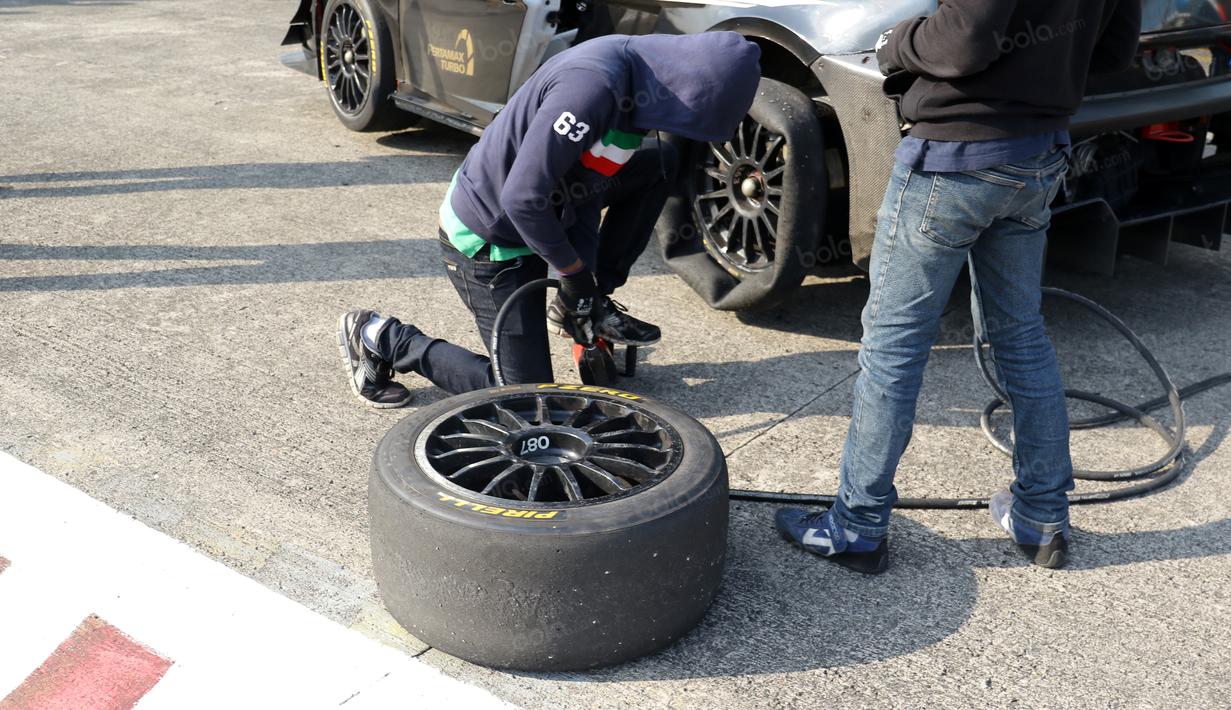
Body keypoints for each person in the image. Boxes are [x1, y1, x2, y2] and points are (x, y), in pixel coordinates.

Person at [776, 0, 1142, 571]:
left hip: (955, 158)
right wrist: (1038, 76)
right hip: (1039, 156)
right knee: (1020, 334)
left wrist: (896, 43)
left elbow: (962, 40)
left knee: (893, 345)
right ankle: (1041, 519)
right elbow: (1116, 50)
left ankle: (856, 526)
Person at [338, 33, 761, 407]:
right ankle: (381, 337)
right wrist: (572, 273)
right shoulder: (592, 86)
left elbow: (586, 193)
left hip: (548, 212)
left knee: (660, 162)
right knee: (528, 401)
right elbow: (521, 198)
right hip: (491, 235)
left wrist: (586, 289)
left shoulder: (643, 84)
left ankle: (592, 310)